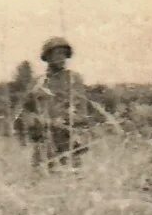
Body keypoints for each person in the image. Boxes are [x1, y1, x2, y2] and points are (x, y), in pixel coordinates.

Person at [21, 37, 98, 170]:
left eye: (64, 54)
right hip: (44, 140)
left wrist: (66, 121)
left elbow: (82, 111)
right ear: (48, 56)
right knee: (41, 176)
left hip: (68, 138)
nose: (61, 58)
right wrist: (35, 123)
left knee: (71, 177)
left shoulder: (74, 79)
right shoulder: (38, 82)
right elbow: (26, 111)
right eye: (57, 53)